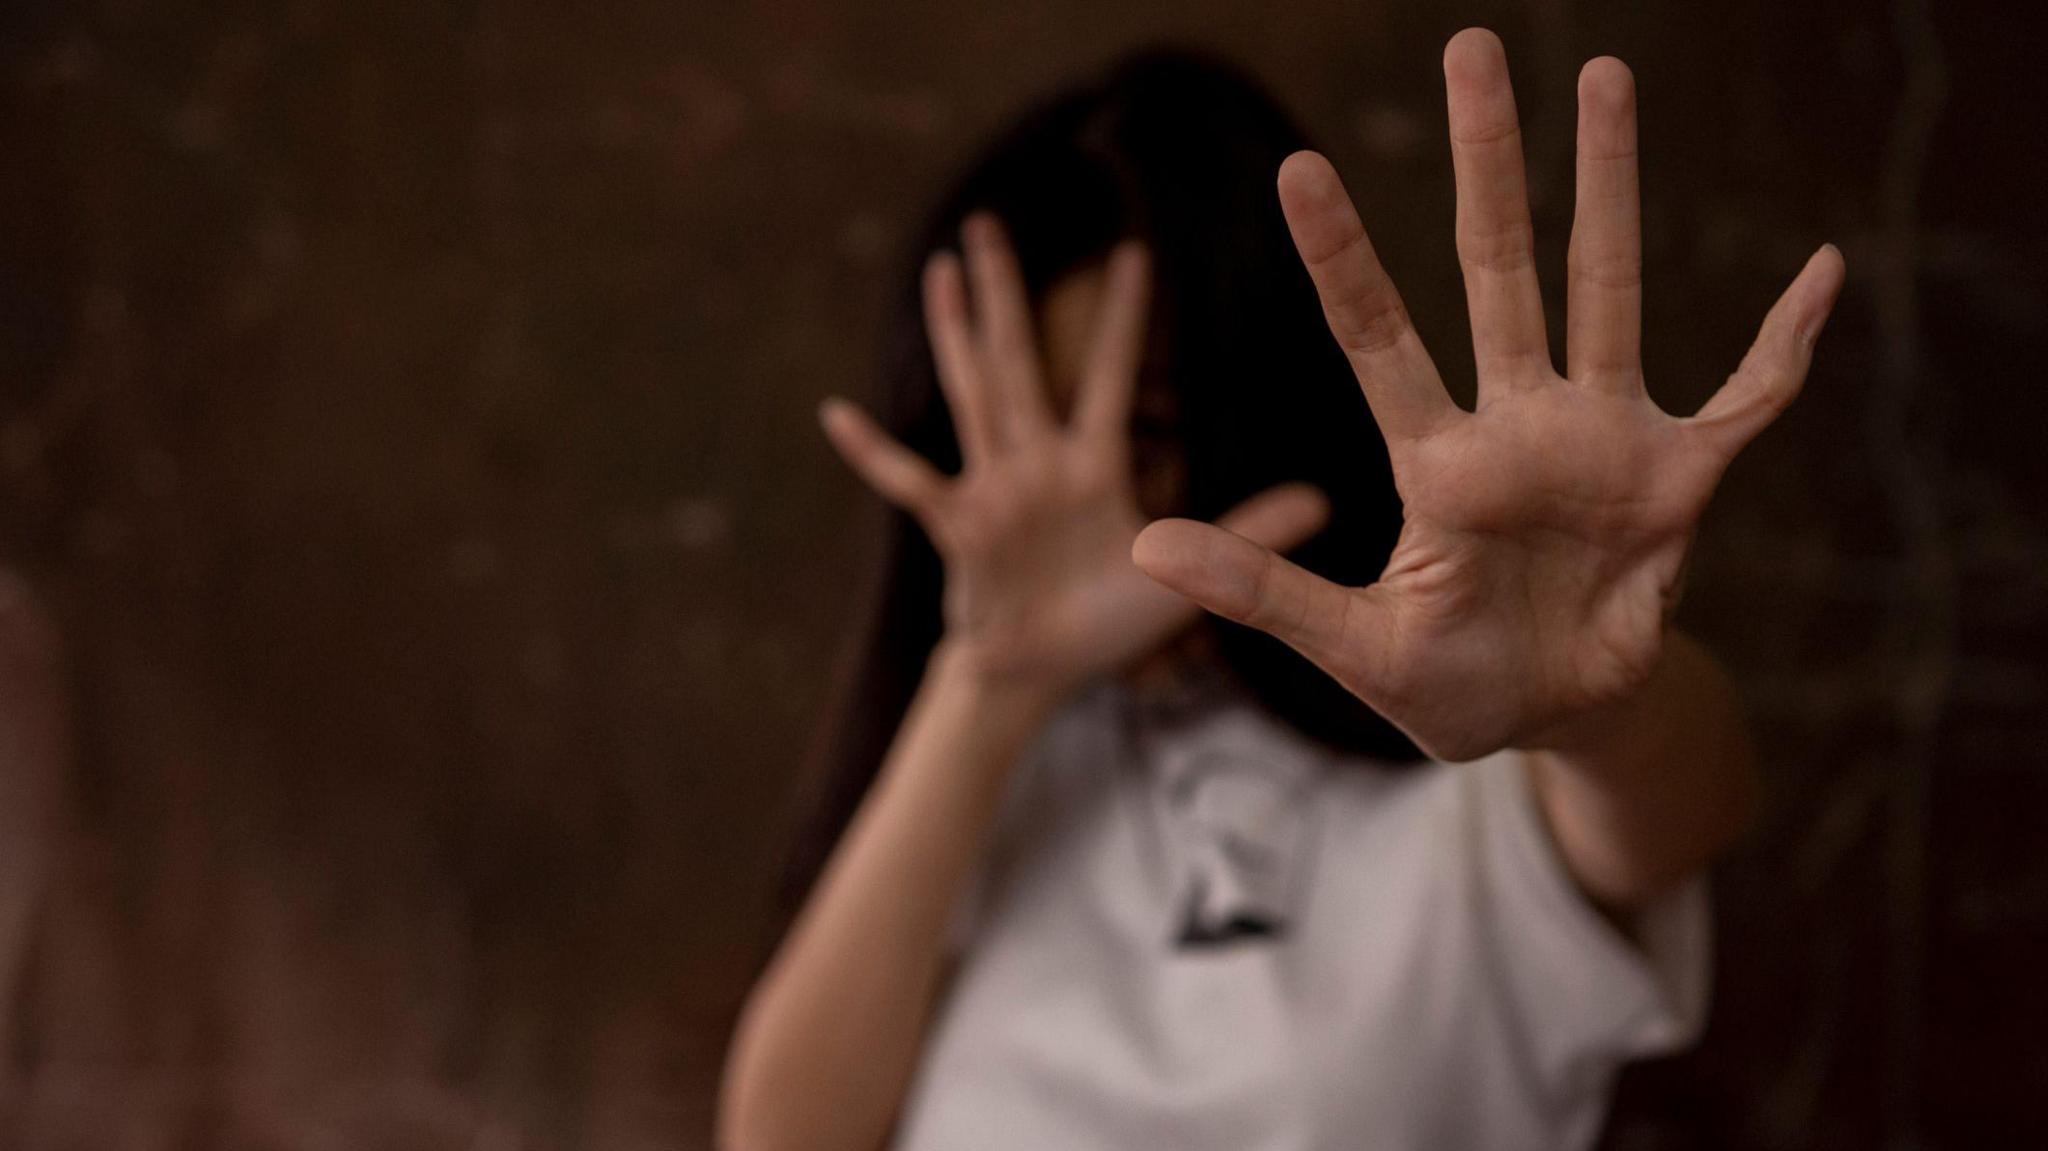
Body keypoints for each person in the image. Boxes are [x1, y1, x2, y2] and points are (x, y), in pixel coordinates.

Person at [720, 28, 1843, 1151]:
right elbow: (779, 1136)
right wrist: (989, 683)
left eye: (1148, 427)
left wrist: (1595, 701)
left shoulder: (1464, 735)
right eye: (1027, 429)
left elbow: (1676, 803)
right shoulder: (989, 789)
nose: (1082, 503)